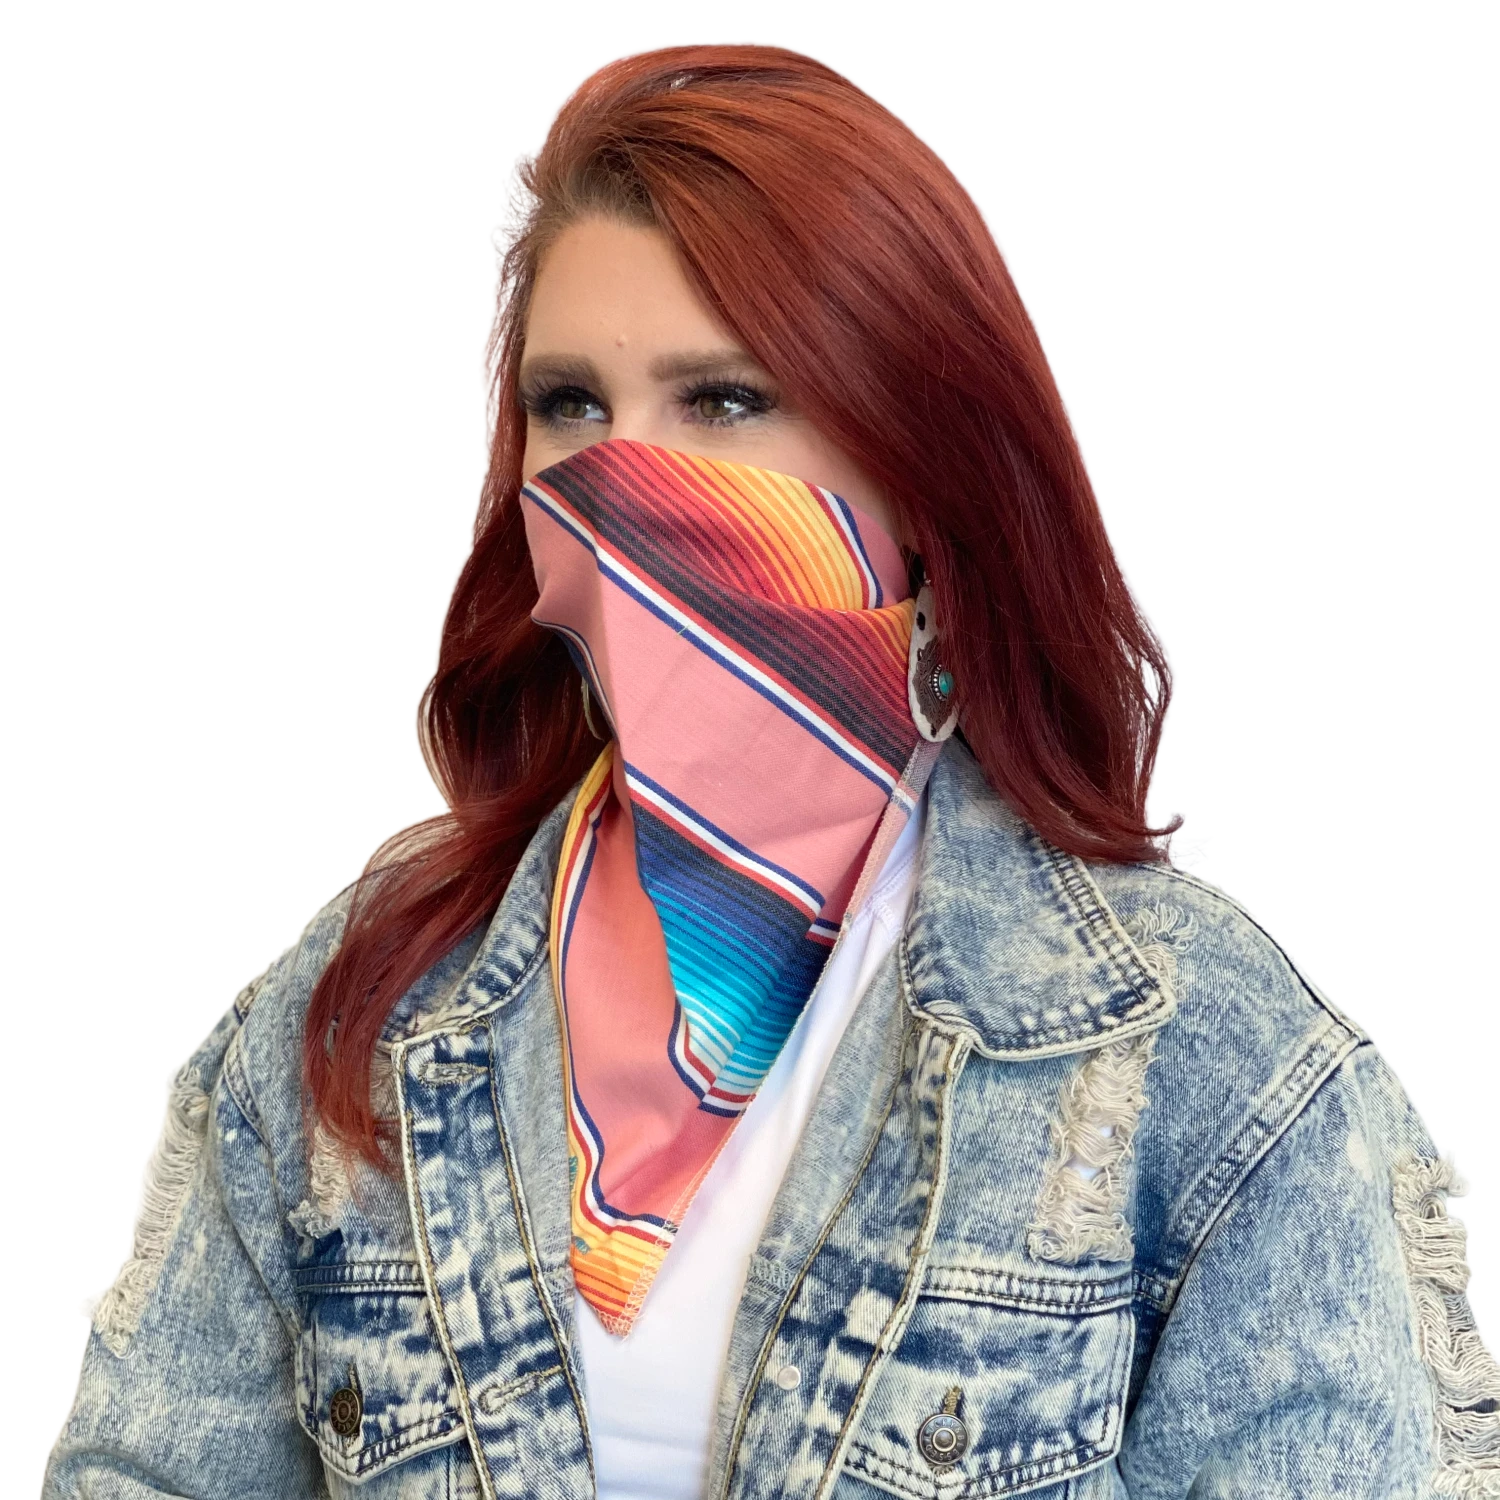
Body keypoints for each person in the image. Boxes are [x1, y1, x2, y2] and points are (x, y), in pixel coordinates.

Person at [42, 40, 1495, 1500]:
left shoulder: (1195, 1046)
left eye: (724, 401)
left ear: (914, 460)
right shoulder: (364, 991)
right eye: (571, 402)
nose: (621, 481)